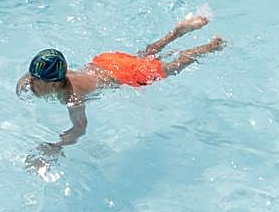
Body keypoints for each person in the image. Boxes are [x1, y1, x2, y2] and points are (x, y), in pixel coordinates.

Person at [17, 14, 222, 160]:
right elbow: (29, 74)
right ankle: (175, 32)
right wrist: (22, 84)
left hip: (124, 74)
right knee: (144, 56)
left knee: (169, 68)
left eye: (36, 81)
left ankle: (213, 46)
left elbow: (80, 129)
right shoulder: (54, 73)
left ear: (53, 83)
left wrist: (56, 146)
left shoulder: (73, 99)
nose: (31, 83)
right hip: (106, 63)